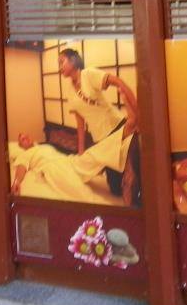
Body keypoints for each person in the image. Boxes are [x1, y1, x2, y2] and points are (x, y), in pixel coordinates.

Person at [59, 49, 140, 204]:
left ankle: (132, 167)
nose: (59, 67)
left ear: (73, 60)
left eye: (62, 61)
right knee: (115, 189)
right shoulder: (69, 91)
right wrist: (81, 151)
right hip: (101, 139)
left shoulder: (89, 75)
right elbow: (80, 122)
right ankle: (128, 170)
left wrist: (138, 115)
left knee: (133, 184)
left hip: (118, 127)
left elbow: (119, 82)